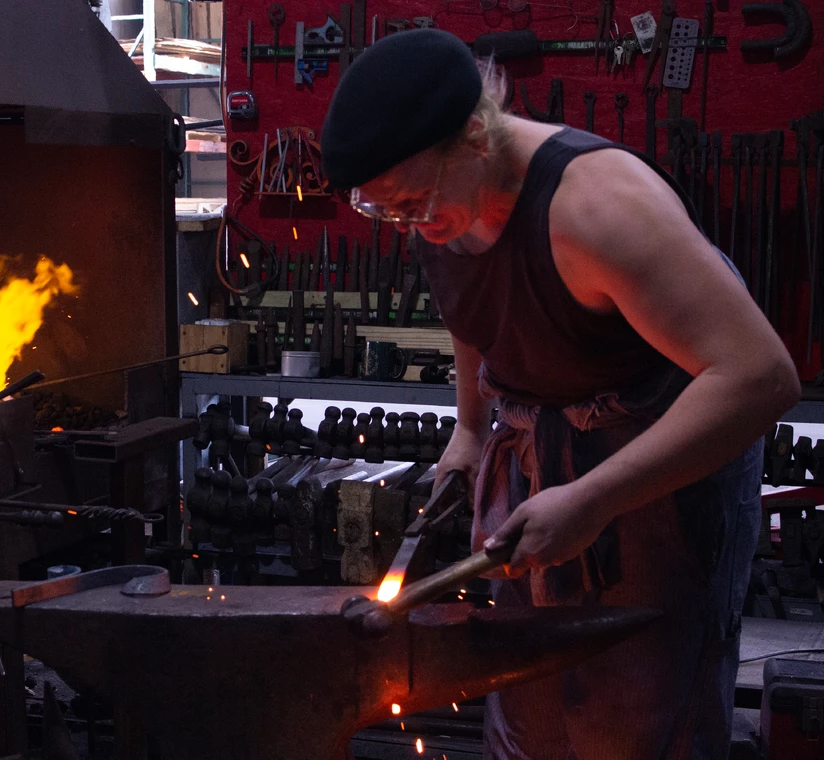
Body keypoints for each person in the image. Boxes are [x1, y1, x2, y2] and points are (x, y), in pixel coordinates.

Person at [320, 29, 799, 759]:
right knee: (529, 699)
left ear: (475, 134)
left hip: (656, 468)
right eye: (390, 212)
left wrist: (594, 497)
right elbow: (477, 307)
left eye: (416, 202)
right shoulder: (436, 202)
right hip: (538, 453)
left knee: (635, 719)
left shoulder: (599, 210)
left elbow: (760, 378)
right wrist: (473, 429)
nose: (413, 225)